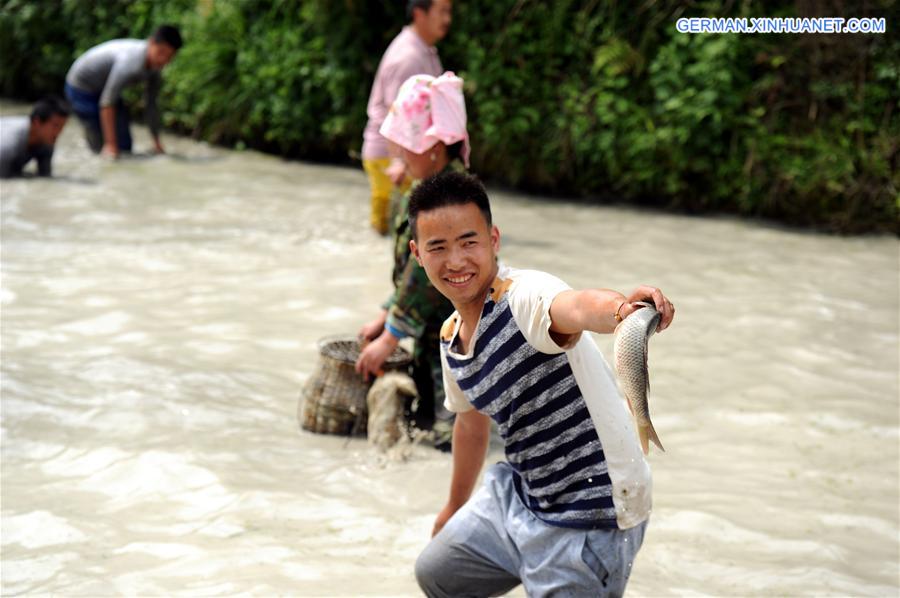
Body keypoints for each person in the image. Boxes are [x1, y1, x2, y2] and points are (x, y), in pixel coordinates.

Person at [408, 172, 676, 596]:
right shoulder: (450, 337)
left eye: (468, 242)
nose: (456, 261)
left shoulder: (523, 297)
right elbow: (470, 426)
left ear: (494, 239)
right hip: (521, 493)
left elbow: (577, 306)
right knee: (438, 573)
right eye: (437, 247)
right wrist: (452, 507)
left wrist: (624, 310)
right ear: (417, 255)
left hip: (592, 510)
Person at [355, 72, 470, 450]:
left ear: (435, 146)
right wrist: (384, 315)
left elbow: (427, 274)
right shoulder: (430, 189)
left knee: (447, 438)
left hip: (456, 343)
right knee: (429, 431)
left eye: (409, 144)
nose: (401, 153)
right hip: (432, 334)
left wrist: (389, 338)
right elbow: (410, 269)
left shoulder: (448, 199)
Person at [361, 0, 452, 234]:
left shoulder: (425, 50)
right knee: (395, 231)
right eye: (441, 12)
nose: (447, 19)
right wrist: (399, 161)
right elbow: (397, 115)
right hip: (392, 157)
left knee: (406, 230)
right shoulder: (409, 57)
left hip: (408, 156)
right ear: (419, 14)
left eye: (448, 12)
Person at [64, 25, 182, 159]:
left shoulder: (155, 70)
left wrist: (157, 143)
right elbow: (107, 103)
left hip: (104, 88)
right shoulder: (130, 62)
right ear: (151, 42)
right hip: (80, 87)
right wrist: (110, 145)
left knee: (125, 145)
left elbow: (151, 106)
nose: (163, 60)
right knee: (101, 147)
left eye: (169, 56)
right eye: (161, 52)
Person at [0, 96, 70, 178]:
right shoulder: (7, 145)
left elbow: (45, 179)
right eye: (55, 126)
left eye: (62, 127)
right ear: (37, 122)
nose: (59, 132)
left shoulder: (46, 142)